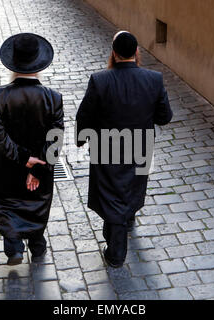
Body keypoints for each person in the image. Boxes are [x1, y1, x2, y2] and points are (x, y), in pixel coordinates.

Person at [75, 31, 173, 268]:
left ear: (114, 53)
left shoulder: (100, 80)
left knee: (111, 192)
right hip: (139, 147)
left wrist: (81, 139)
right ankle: (127, 218)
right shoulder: (154, 79)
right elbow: (165, 117)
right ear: (137, 52)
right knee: (133, 186)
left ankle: (117, 253)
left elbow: (85, 115)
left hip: (106, 147)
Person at [0, 33, 64, 266]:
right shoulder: (53, 98)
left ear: (14, 61)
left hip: (6, 167)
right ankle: (37, 246)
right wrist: (37, 166)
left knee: (5, 202)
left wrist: (24, 159)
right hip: (42, 167)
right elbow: (56, 138)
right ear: (38, 63)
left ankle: (14, 248)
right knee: (35, 203)